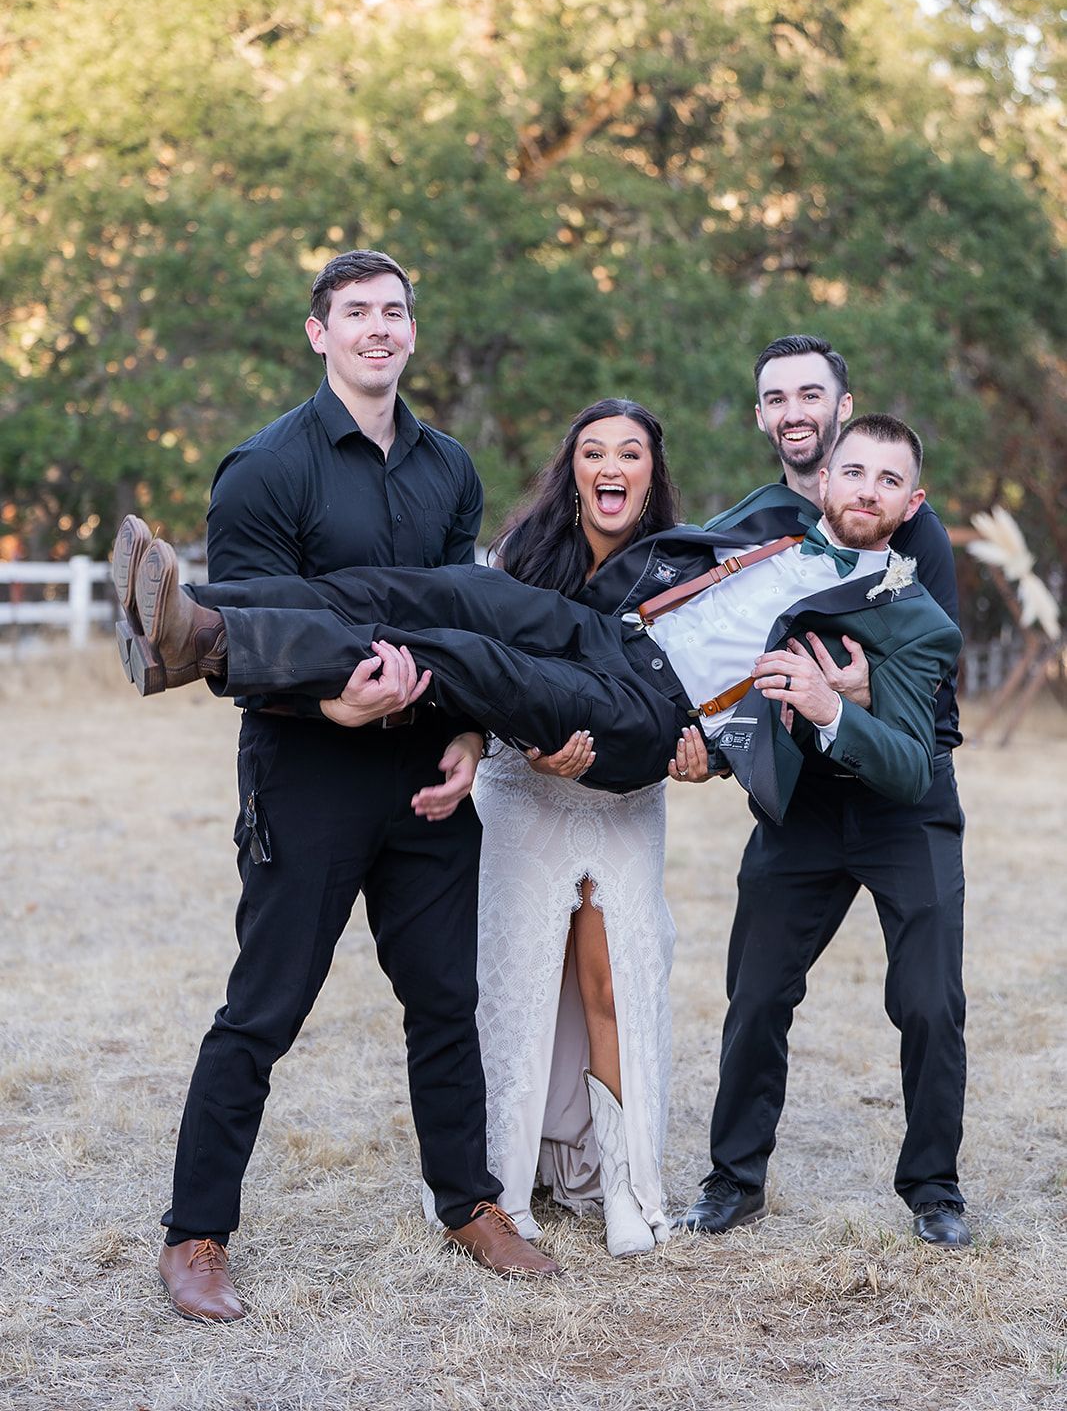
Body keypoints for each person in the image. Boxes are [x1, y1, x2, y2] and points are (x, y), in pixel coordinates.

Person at [115, 249, 560, 1323]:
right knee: (262, 1010)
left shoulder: (448, 467)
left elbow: (461, 622)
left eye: (393, 311)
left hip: (421, 774)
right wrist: (330, 702)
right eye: (354, 312)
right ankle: (196, 1234)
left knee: (445, 1002)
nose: (377, 328)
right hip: (308, 769)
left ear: (411, 332)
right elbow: (250, 648)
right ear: (319, 333)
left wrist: (466, 731)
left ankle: (470, 1204)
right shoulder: (262, 468)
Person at [115, 415, 960, 842]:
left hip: (657, 716)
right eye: (851, 470)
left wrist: (828, 707)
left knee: (457, 657)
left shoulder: (911, 617)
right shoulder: (774, 516)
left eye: (886, 481)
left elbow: (909, 766)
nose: (863, 488)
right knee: (434, 591)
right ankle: (199, 613)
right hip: (616, 636)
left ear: (909, 504)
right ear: (825, 480)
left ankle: (209, 646)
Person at [675, 336, 970, 1248]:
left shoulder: (918, 563)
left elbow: (927, 720)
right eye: (777, 396)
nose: (866, 490)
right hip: (800, 802)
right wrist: (700, 743)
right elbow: (713, 657)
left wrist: (850, 697)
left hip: (902, 801)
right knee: (756, 993)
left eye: (886, 481)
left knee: (928, 1001)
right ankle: (733, 1179)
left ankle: (933, 1187)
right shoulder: (759, 536)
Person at [474, 399, 687, 1258]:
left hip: (626, 805)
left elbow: (696, 700)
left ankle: (624, 1186)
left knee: (614, 980)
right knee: (518, 983)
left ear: (648, 476)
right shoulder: (517, 561)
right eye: (592, 451)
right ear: (572, 473)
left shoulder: (679, 573)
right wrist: (528, 747)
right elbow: (481, 678)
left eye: (628, 452)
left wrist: (699, 752)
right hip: (526, 794)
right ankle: (496, 1182)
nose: (610, 465)